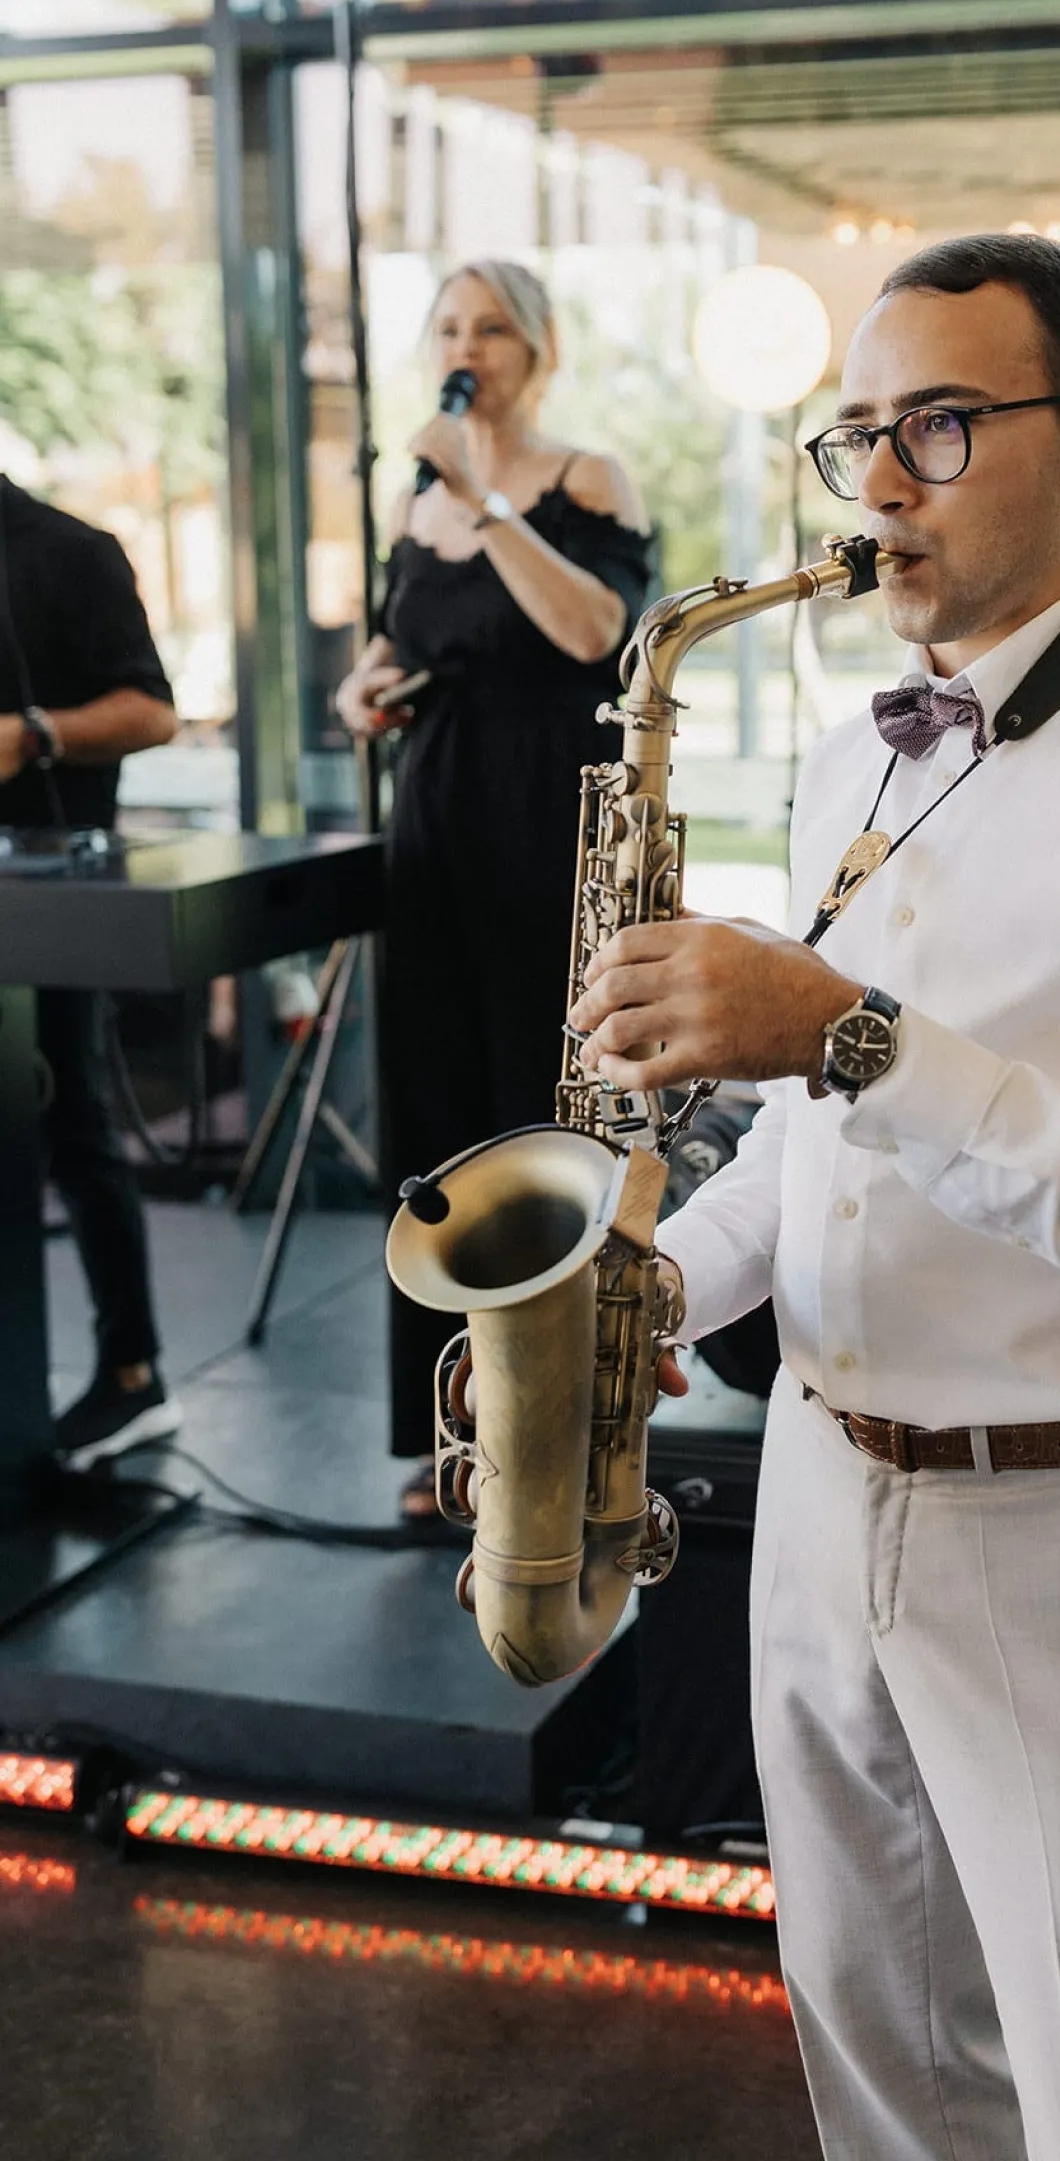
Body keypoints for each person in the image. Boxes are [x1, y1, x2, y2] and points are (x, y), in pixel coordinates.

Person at [570, 235, 1060, 2161]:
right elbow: (813, 1149)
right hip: (817, 1492)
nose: (879, 481)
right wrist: (659, 1278)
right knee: (882, 2077)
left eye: (938, 423)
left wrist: (846, 1031)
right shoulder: (852, 747)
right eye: (857, 432)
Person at [335, 260, 654, 1524]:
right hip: (435, 825)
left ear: (537, 349)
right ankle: (449, 1435)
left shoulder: (586, 480)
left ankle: (556, 1437)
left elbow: (595, 633)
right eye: (448, 330)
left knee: (540, 1114)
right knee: (438, 1121)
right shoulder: (412, 504)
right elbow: (395, 639)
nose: (465, 350)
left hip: (545, 828)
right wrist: (361, 689)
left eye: (490, 330)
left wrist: (484, 501)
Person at [0, 473, 181, 1465]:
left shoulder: (73, 552)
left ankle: (132, 1372)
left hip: (52, 901)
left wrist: (35, 736)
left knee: (74, 1125)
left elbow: (154, 712)